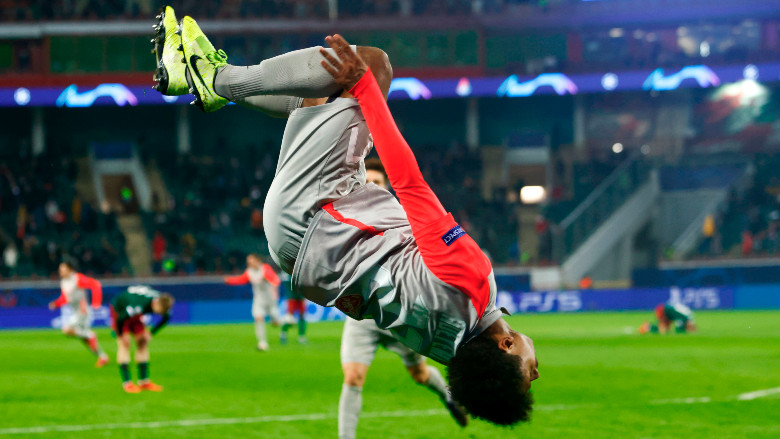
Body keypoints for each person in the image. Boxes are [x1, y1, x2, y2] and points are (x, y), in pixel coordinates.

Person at [156, 15, 538, 425]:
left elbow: (410, 184)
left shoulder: (473, 280)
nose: (536, 373)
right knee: (318, 98)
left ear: (506, 346)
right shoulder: (451, 349)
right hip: (309, 255)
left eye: (529, 374)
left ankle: (214, 78)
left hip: (317, 213)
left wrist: (367, 87)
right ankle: (217, 91)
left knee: (372, 65)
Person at [338, 159, 467, 438]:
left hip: (399, 311)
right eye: (366, 182)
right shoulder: (343, 218)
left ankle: (448, 397)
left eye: (376, 182)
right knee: (353, 377)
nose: (370, 186)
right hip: (363, 314)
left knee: (419, 374)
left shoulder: (401, 218)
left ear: (386, 188)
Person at [110, 285, 174, 393]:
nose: (159, 313)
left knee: (143, 343)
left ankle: (144, 382)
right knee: (124, 344)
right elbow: (121, 319)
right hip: (120, 311)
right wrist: (120, 335)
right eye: (159, 311)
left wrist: (151, 333)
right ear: (156, 304)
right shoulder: (138, 305)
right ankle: (127, 384)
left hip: (135, 313)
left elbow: (166, 318)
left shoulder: (163, 303)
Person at [48, 261, 109, 367]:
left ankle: (90, 335)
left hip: (83, 311)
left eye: (63, 270)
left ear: (70, 270)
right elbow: (65, 298)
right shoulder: (64, 282)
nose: (61, 272)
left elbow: (95, 284)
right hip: (76, 312)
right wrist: (56, 304)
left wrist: (96, 302)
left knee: (67, 330)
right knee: (84, 340)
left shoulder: (77, 279)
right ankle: (103, 357)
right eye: (60, 270)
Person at [224, 254, 282, 351]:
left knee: (276, 322)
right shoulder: (249, 272)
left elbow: (275, 280)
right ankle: (262, 342)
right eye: (248, 262)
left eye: (251, 261)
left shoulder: (265, 269)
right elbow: (242, 279)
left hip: (270, 300)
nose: (250, 263)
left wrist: (272, 281)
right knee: (258, 318)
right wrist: (230, 280)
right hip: (258, 300)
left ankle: (286, 321)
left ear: (257, 260)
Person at [278, 271, 308, 345]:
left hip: (300, 295)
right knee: (290, 317)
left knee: (302, 315)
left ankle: (301, 337)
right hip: (292, 295)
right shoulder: (287, 270)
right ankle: (283, 333)